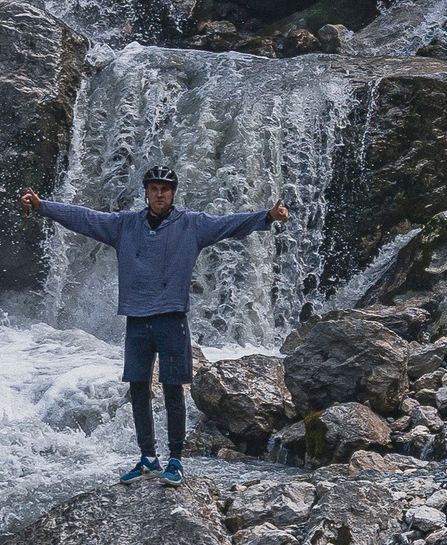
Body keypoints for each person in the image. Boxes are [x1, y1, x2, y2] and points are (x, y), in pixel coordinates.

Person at [22, 168, 291, 486]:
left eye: (164, 189)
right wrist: (44, 206)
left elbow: (229, 224)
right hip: (136, 319)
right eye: (153, 188)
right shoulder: (124, 225)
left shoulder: (192, 224)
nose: (159, 194)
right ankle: (147, 459)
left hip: (171, 318)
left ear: (173, 193)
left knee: (174, 390)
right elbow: (85, 218)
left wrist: (268, 216)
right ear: (146, 192)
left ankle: (175, 460)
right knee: (137, 388)